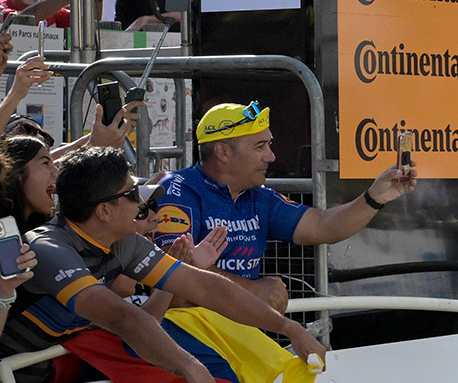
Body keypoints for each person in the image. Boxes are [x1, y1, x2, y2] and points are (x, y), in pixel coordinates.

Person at [2, 149, 327, 383]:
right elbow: (123, 317)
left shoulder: (124, 242)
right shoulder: (47, 248)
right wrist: (193, 371)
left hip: (43, 380)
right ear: (103, 211)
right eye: (132, 194)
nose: (142, 203)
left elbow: (204, 286)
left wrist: (288, 327)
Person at [151, 103, 418, 313]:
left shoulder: (258, 196)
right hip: (189, 332)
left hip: (238, 329)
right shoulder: (178, 190)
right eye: (260, 146)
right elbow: (172, 273)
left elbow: (321, 226)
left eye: (269, 145)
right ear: (222, 151)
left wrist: (374, 197)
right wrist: (251, 289)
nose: (271, 156)